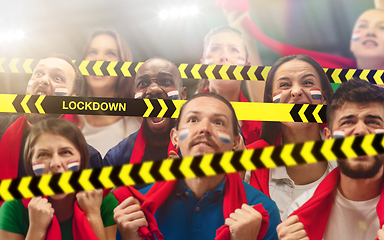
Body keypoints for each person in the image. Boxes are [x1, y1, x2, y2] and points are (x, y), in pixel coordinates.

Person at [113, 92, 280, 240]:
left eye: (218, 122)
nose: (204, 128)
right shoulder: (138, 211)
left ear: (235, 142)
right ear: (175, 138)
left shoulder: (262, 211)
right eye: (193, 120)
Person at [276, 79, 384, 240]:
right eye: (348, 122)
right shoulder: (300, 213)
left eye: (373, 122)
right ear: (329, 139)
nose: (361, 131)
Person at [247, 54, 336, 219]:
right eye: (285, 85)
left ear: (324, 98)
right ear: (271, 100)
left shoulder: (351, 158)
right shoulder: (247, 162)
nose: (296, 92)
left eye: (308, 83)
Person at [0, 118, 117, 240]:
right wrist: (36, 229)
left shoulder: (104, 201)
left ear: (82, 159)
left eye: (65, 152)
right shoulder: (12, 208)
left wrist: (93, 215)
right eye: (43, 154)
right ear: (30, 163)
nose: (55, 163)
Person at [0, 54, 103, 182]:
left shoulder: (88, 159)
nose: (43, 80)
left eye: (58, 78)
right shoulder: (2, 128)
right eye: (38, 73)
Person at [103, 57, 187, 167]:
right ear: (134, 97)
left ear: (183, 95)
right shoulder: (116, 158)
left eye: (166, 81)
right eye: (143, 83)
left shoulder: (201, 150)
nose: (153, 89)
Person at [76, 29, 141, 157]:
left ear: (124, 64)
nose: (99, 58)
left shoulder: (140, 124)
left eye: (111, 53)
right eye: (92, 52)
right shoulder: (67, 118)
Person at [196, 26, 262, 146]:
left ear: (247, 67)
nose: (224, 56)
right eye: (215, 49)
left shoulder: (261, 121)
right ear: (203, 65)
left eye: (234, 50)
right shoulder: (182, 114)